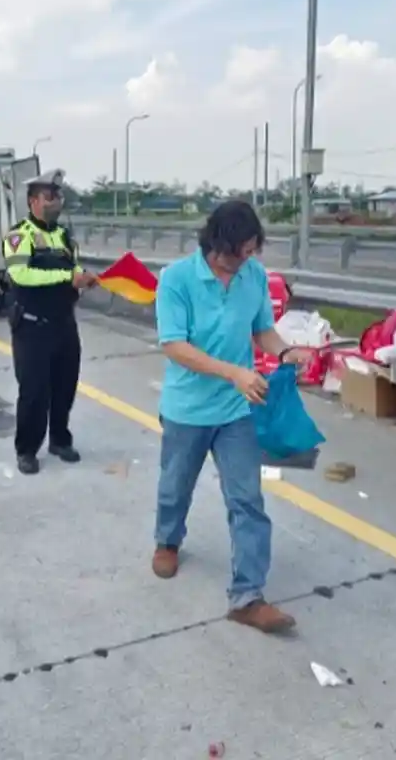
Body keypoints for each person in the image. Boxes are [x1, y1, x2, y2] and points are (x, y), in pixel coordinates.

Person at [151, 199, 313, 634]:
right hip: (187, 409)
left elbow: (261, 329)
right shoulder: (177, 280)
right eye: (233, 256)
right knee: (175, 485)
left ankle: (247, 597)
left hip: (236, 409)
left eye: (249, 254)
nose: (240, 265)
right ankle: (168, 540)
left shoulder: (253, 276)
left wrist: (283, 350)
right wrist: (233, 372)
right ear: (213, 245)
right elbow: (174, 345)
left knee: (247, 500)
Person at [3, 169, 98, 475]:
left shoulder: (64, 236)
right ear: (33, 201)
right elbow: (21, 275)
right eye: (49, 196)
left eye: (58, 196)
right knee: (33, 392)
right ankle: (27, 450)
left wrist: (84, 277)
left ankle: (59, 439)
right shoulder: (20, 236)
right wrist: (68, 277)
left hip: (64, 325)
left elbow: (75, 266)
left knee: (64, 387)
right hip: (32, 327)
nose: (55, 202)